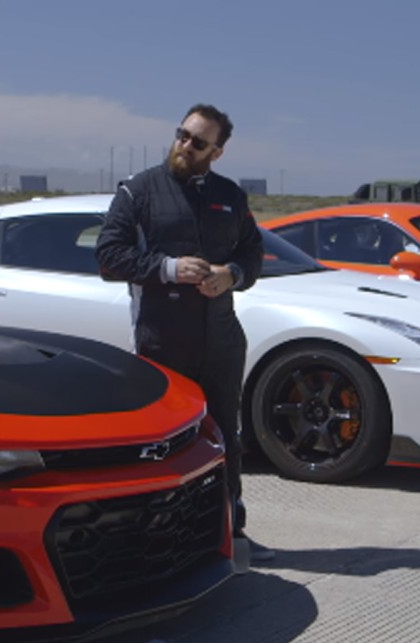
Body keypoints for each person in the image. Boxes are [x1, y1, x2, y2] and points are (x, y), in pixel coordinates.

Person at [95, 103, 274, 564]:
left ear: (216, 152)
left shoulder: (230, 196)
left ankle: (231, 534)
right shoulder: (139, 191)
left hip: (221, 340)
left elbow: (253, 255)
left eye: (198, 142)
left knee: (225, 438)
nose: (185, 145)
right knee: (166, 446)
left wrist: (232, 274)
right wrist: (169, 269)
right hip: (163, 340)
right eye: (182, 135)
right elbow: (108, 257)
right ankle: (160, 541)